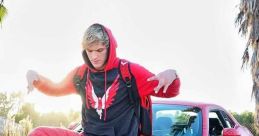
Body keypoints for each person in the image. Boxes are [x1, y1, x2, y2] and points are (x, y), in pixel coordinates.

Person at [26, 23, 181, 136]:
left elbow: (169, 91)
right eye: (90, 51)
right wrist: (37, 80)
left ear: (110, 47)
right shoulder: (81, 73)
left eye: (99, 50)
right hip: (89, 134)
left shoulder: (129, 72)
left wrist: (172, 75)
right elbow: (56, 88)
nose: (94, 56)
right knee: (38, 133)